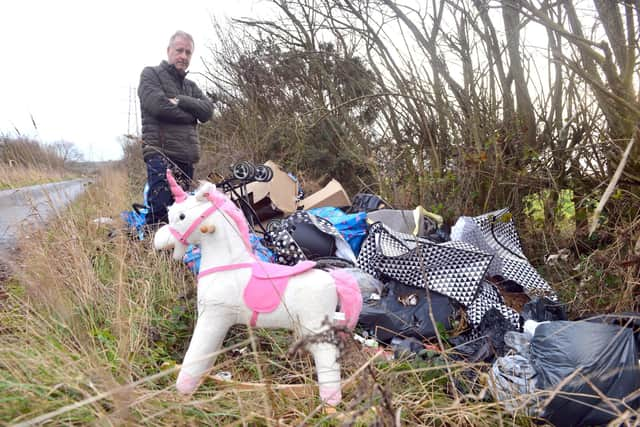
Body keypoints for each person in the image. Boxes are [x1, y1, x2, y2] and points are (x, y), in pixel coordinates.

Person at [138, 30, 213, 226]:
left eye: (188, 53)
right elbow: (158, 106)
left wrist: (180, 100)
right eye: (179, 50)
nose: (183, 56)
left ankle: (174, 257)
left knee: (181, 216)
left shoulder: (191, 86)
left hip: (186, 158)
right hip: (161, 154)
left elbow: (207, 111)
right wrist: (191, 116)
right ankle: (150, 253)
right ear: (169, 50)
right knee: (160, 214)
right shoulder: (150, 74)